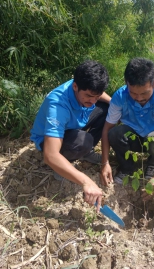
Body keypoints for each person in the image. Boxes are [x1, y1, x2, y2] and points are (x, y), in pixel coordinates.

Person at [30, 60, 111, 209]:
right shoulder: (58, 105)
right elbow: (50, 155)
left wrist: (112, 102)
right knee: (83, 141)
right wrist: (86, 181)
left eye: (96, 96)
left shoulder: (83, 83)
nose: (92, 101)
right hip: (48, 140)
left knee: (107, 109)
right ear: (75, 86)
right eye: (88, 96)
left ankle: (85, 152)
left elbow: (95, 95)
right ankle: (62, 167)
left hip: (73, 122)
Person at [100, 57, 154, 200]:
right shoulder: (121, 96)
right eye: (133, 93)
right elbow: (107, 129)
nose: (138, 98)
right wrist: (105, 163)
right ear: (127, 84)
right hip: (133, 137)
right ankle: (127, 167)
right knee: (114, 134)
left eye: (144, 93)